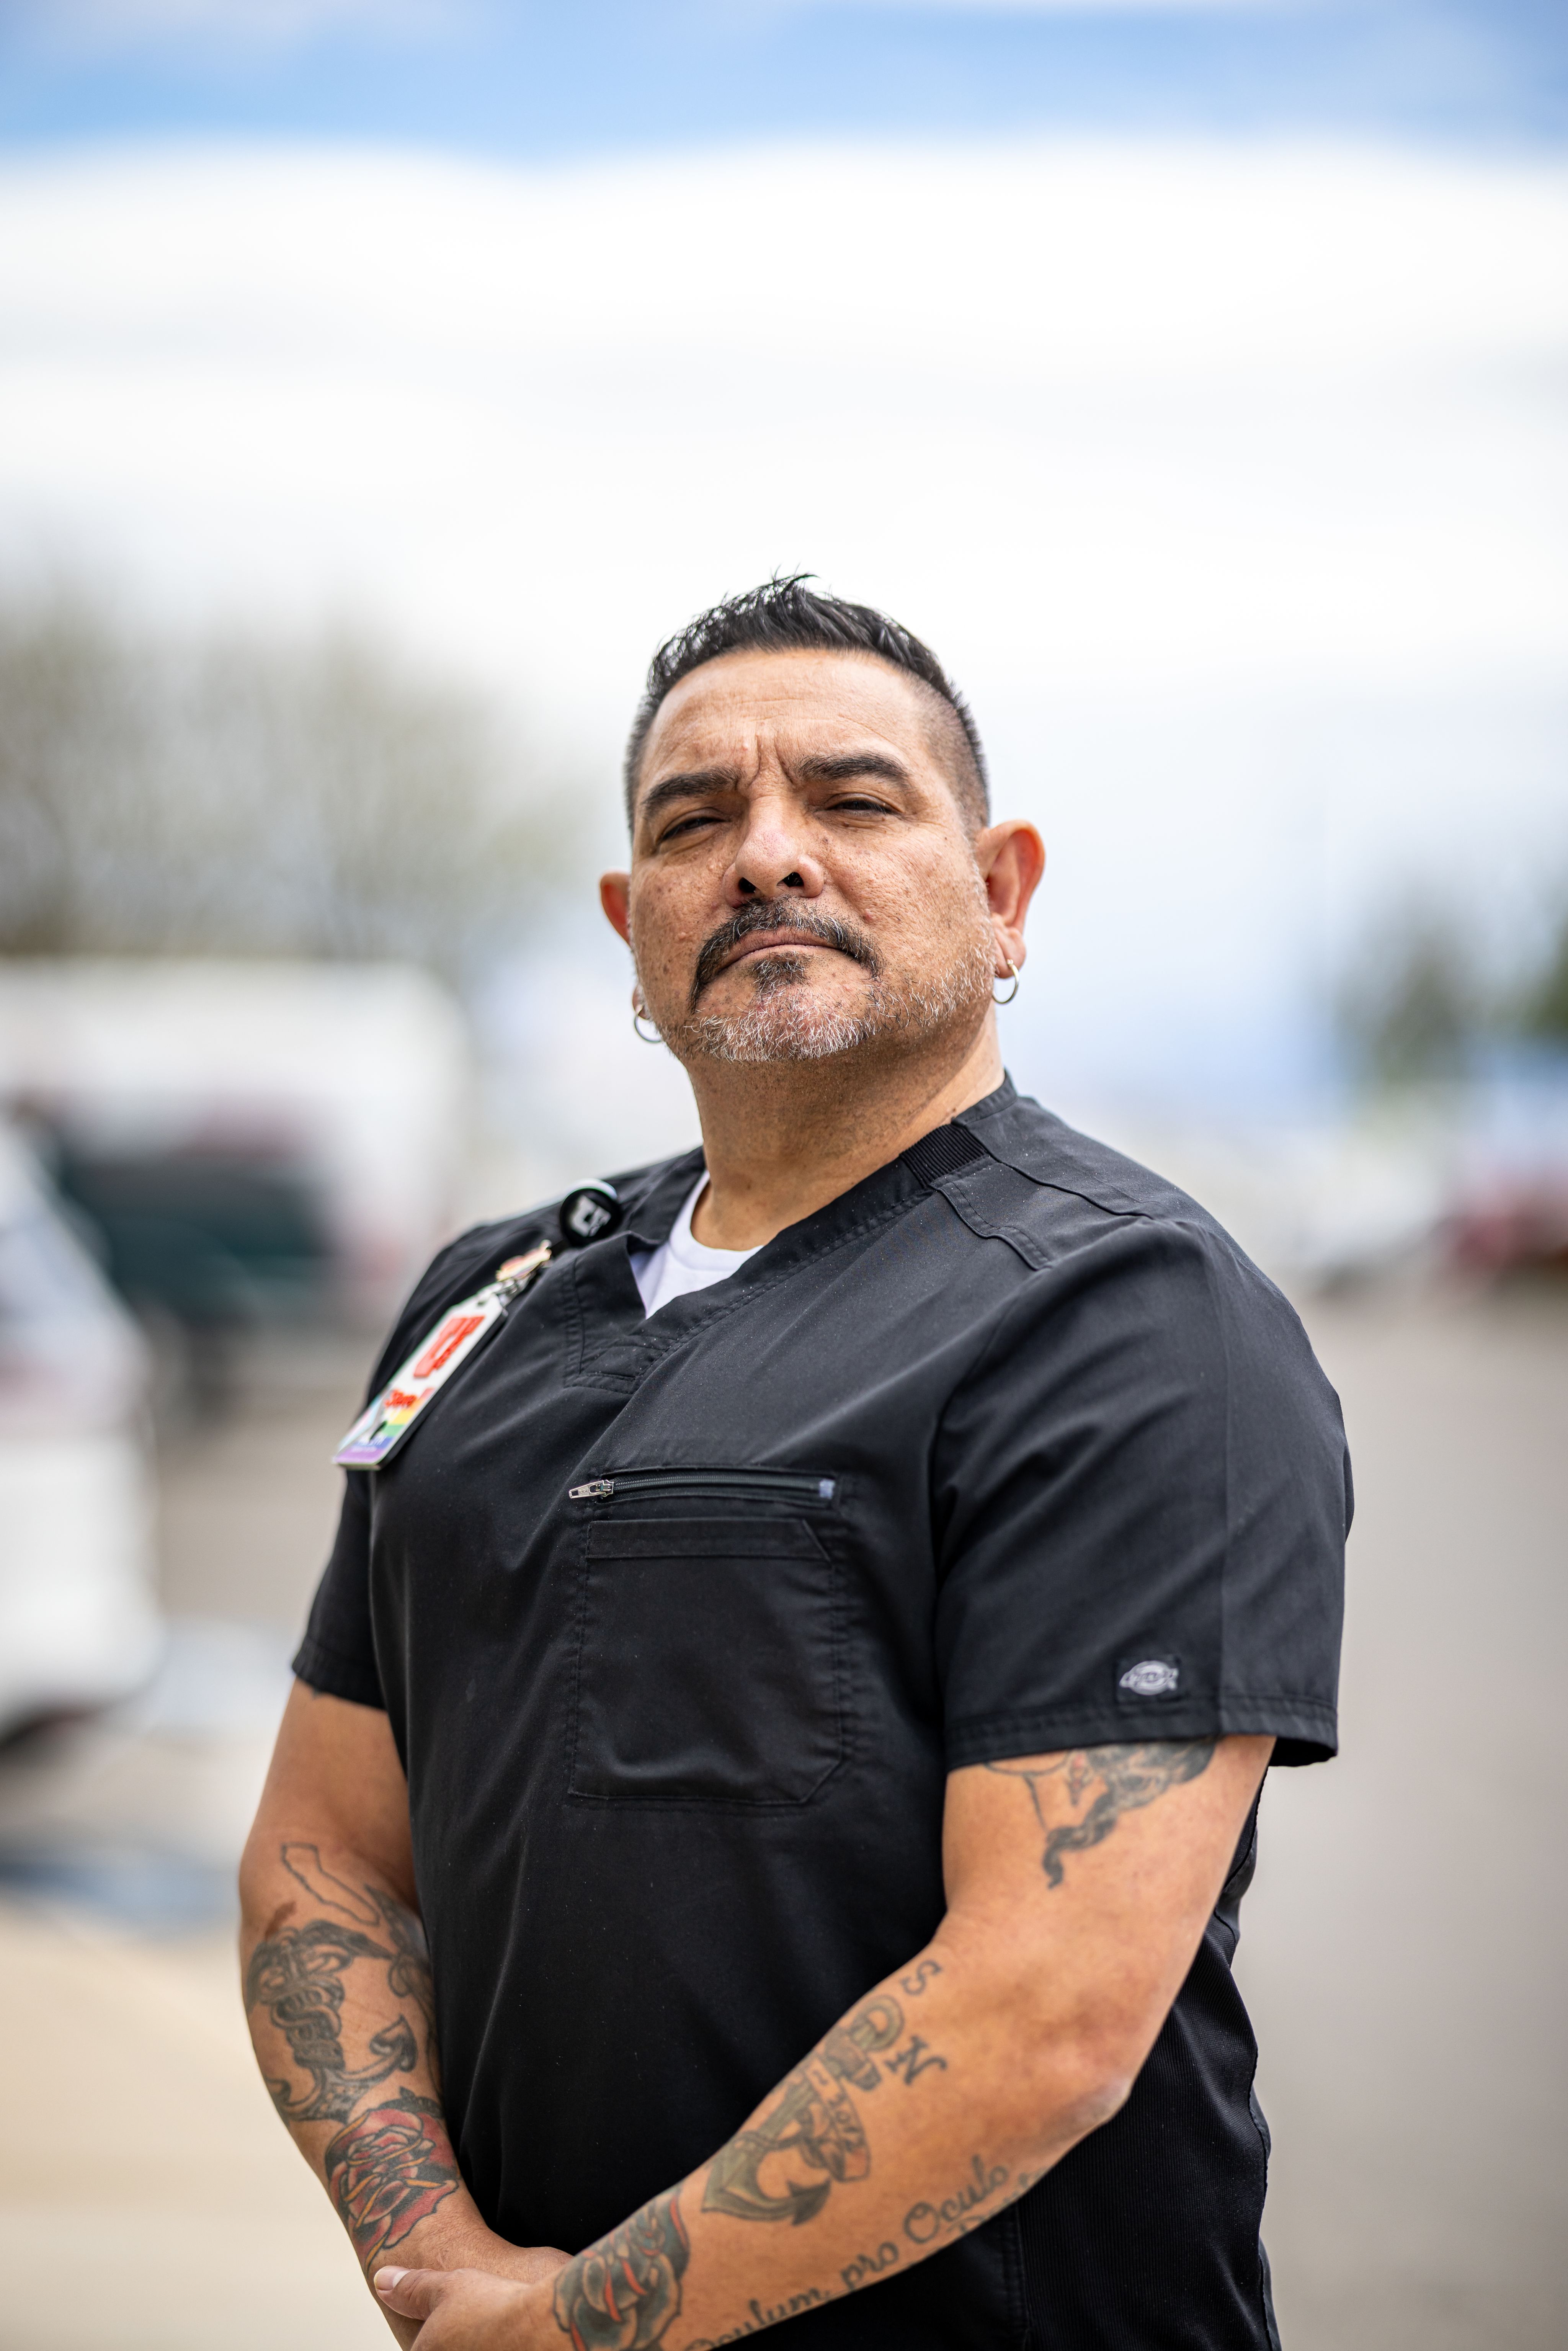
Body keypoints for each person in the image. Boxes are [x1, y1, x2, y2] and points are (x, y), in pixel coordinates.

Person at [240, 578, 1348, 2351]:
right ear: (630, 927)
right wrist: (440, 2263)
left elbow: (1043, 2012)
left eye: (850, 801)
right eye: (696, 820)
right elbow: (325, 1852)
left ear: (1001, 899)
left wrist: (575, 2326)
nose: (765, 855)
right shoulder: (490, 1305)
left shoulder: (1126, 1319)